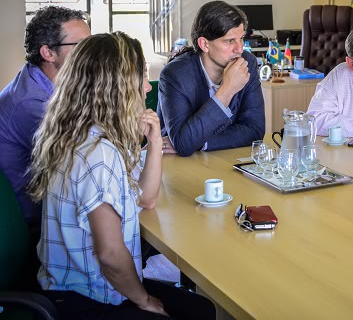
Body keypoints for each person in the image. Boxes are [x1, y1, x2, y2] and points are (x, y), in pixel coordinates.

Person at [28, 32, 215, 319]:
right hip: (84, 298)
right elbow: (111, 255)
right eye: (141, 77)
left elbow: (147, 199)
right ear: (117, 87)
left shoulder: (82, 133)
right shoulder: (98, 154)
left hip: (79, 286)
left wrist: (153, 143)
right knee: (198, 311)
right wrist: (144, 300)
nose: (145, 87)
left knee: (199, 307)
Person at [0, 6, 90, 226]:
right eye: (82, 46)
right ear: (48, 52)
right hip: (37, 225)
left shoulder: (48, 83)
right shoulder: (31, 102)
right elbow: (83, 163)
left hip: (58, 204)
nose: (91, 53)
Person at [158, 0, 265, 156]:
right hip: (177, 165)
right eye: (230, 41)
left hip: (222, 161)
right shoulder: (174, 75)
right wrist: (226, 91)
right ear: (204, 44)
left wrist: (200, 142)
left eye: (241, 38)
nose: (240, 48)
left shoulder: (248, 63)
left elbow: (255, 130)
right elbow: (183, 143)